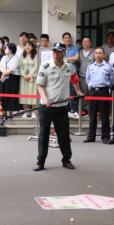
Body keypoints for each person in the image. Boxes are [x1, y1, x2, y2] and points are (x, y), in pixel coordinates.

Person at [34, 43, 84, 171]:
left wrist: (78, 91)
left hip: (62, 107)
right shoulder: (45, 66)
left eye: (59, 51)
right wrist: (45, 100)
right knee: (43, 135)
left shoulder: (68, 66)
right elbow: (40, 85)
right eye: (54, 51)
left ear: (64, 53)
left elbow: (74, 78)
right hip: (46, 107)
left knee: (63, 135)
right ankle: (40, 162)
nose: (56, 54)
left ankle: (66, 160)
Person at [84, 47, 114, 144]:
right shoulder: (90, 66)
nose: (97, 55)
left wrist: (107, 88)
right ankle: (91, 136)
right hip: (93, 91)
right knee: (92, 114)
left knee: (104, 114)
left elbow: (111, 79)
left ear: (103, 54)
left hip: (103, 91)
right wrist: (90, 87)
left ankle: (105, 136)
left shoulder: (108, 66)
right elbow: (87, 78)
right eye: (96, 53)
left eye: (99, 53)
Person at [0, 43, 21, 115]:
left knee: (10, 94)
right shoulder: (4, 57)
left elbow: (12, 69)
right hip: (3, 77)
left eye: (7, 48)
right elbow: (0, 66)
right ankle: (3, 111)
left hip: (11, 78)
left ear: (10, 49)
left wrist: (4, 73)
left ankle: (10, 112)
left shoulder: (15, 58)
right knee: (3, 93)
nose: (5, 49)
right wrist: (3, 73)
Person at [62, 32, 80, 118]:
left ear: (71, 39)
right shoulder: (61, 48)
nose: (67, 39)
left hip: (73, 74)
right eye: (65, 38)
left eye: (69, 38)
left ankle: (74, 110)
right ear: (63, 39)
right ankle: (67, 110)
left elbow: (76, 58)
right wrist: (70, 59)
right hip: (63, 74)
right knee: (64, 92)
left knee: (74, 91)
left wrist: (64, 59)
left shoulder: (75, 48)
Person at [19, 41, 38, 118]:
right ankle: (25, 112)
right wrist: (24, 75)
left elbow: (36, 66)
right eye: (26, 45)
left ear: (33, 47)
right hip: (24, 78)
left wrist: (30, 75)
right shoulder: (21, 56)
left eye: (29, 45)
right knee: (24, 93)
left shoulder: (35, 56)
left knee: (33, 93)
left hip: (32, 78)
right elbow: (20, 66)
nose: (27, 47)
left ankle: (33, 112)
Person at [77, 36, 95, 114]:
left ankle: (92, 109)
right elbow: (78, 63)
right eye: (83, 41)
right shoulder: (79, 52)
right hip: (82, 75)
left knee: (92, 93)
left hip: (93, 76)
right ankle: (84, 109)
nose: (85, 43)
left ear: (90, 43)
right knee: (83, 92)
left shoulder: (94, 51)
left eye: (87, 41)